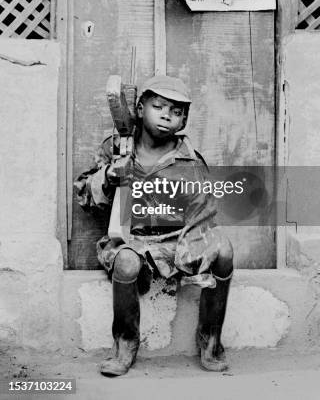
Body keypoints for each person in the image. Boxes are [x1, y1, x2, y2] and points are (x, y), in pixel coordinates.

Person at [74, 74, 234, 376]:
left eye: (176, 112)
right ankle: (125, 344)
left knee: (223, 249)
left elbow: (204, 213)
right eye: (158, 106)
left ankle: (210, 339)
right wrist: (110, 175)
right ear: (140, 106)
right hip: (131, 240)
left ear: (183, 120)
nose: (166, 116)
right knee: (124, 263)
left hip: (179, 240)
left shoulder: (189, 160)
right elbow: (84, 195)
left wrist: (191, 250)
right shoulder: (118, 147)